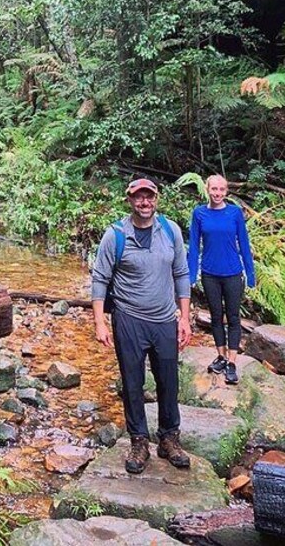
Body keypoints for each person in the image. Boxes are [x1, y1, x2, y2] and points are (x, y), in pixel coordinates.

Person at [91, 178, 192, 474]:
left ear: (156, 199)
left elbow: (181, 274)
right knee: (133, 384)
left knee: (168, 382)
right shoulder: (116, 235)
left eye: (149, 197)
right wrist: (99, 322)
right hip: (128, 319)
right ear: (130, 200)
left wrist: (184, 317)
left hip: (164, 319)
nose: (144, 202)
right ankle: (138, 442)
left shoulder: (170, 231)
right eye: (139, 198)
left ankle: (169, 439)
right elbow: (100, 279)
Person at [188, 175, 256, 385]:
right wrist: (192, 274)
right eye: (214, 189)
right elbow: (193, 245)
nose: (217, 193)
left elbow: (244, 243)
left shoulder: (234, 213)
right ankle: (221, 356)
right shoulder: (199, 213)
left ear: (226, 192)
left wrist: (250, 273)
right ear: (207, 189)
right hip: (210, 273)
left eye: (222, 190)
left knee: (233, 317)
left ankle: (232, 362)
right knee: (216, 317)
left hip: (233, 273)